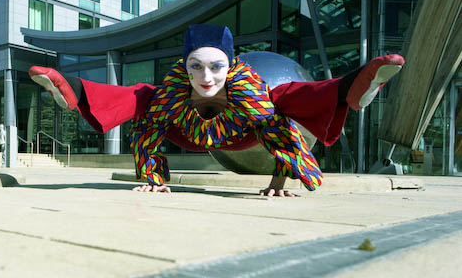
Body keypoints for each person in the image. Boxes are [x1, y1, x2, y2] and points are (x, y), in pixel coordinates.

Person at [28, 24, 404, 197]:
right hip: (189, 133)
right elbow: (148, 131)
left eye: (216, 67)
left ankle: (351, 89)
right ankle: (76, 91)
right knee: (144, 97)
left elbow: (278, 131)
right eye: (196, 66)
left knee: (282, 98)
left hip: (242, 135)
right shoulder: (172, 90)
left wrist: (279, 183)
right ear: (185, 64)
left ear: (230, 65)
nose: (206, 77)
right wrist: (153, 179)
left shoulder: (249, 88)